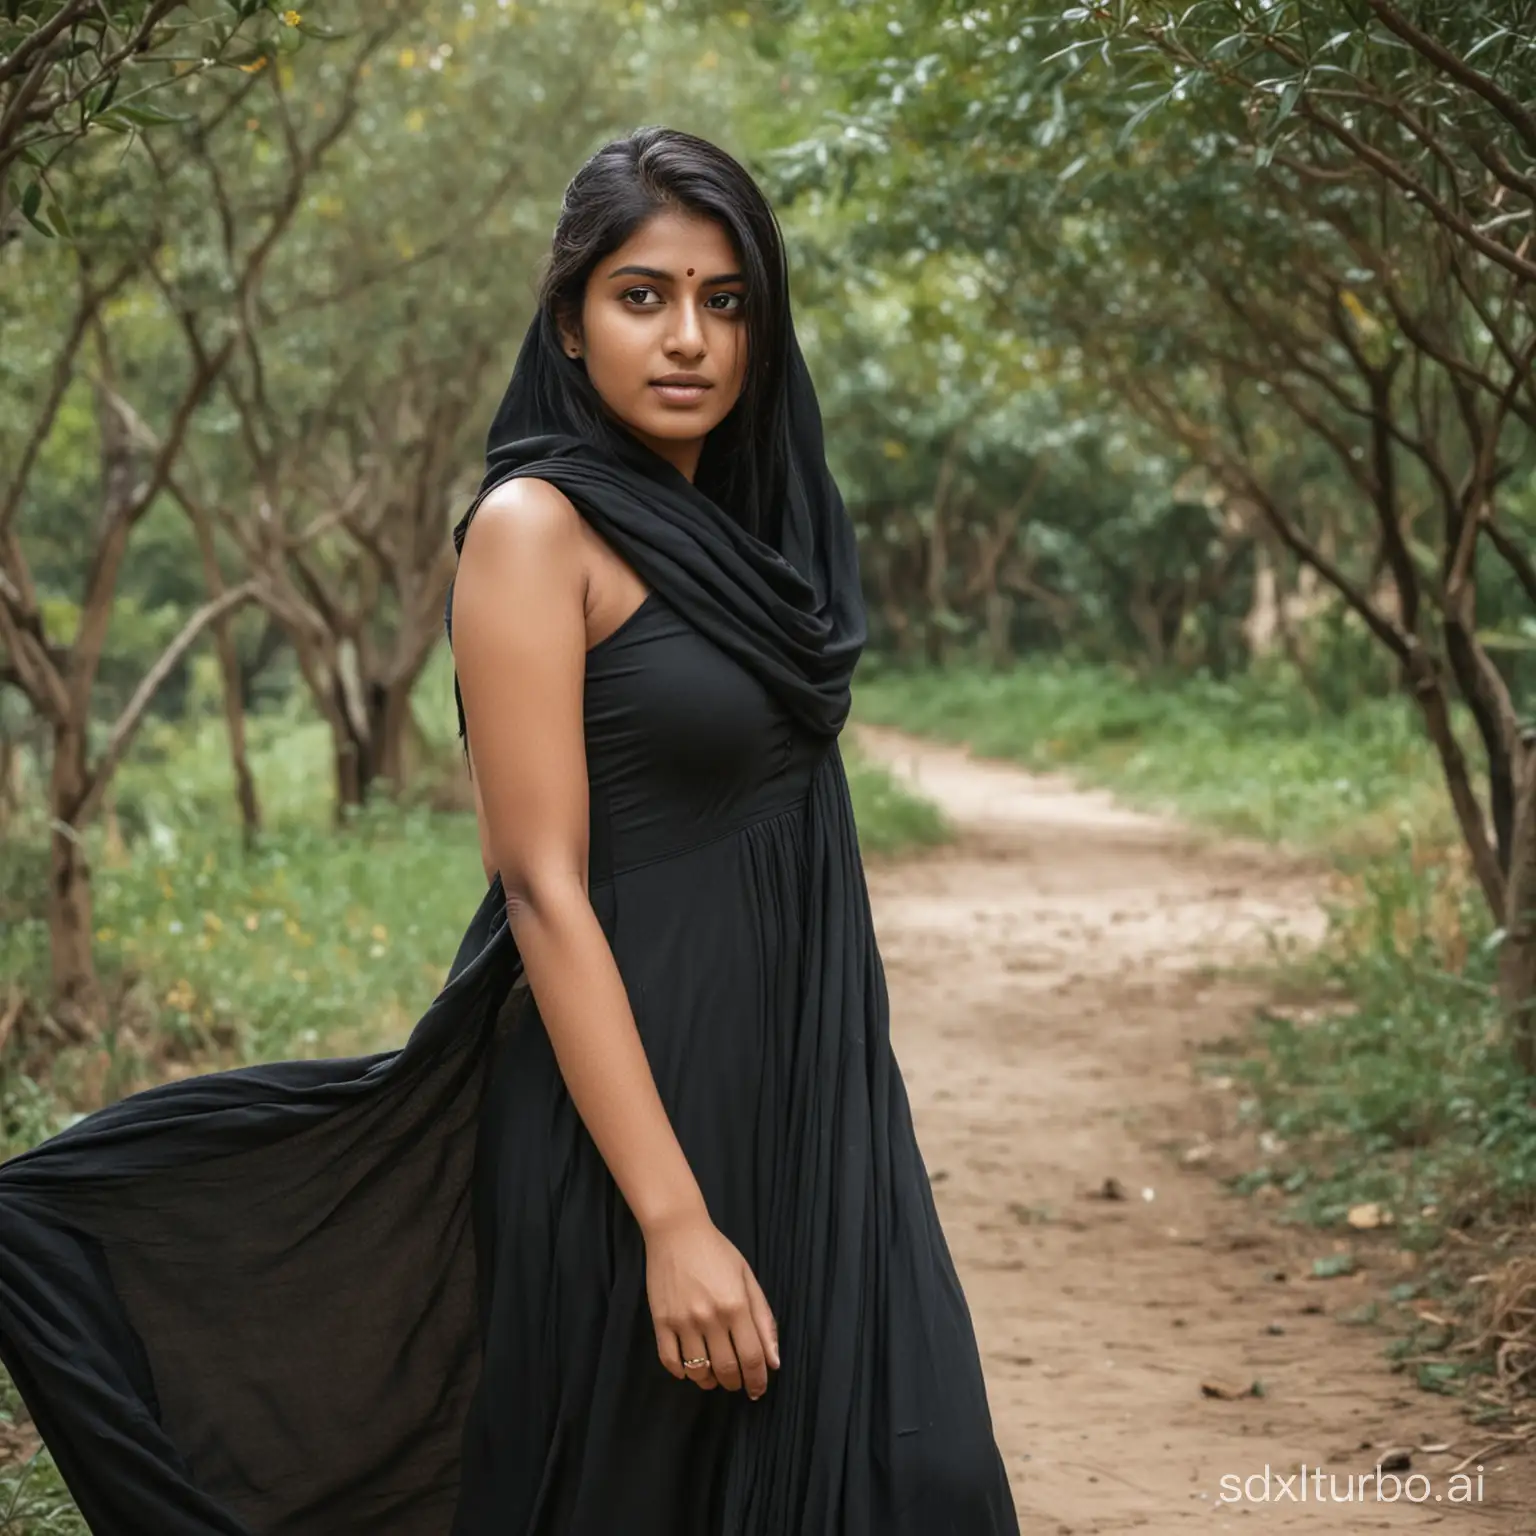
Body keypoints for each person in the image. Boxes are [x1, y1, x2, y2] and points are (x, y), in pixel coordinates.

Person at [0, 127, 1019, 1535]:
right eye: (642, 294)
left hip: (805, 1091)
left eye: (726, 302)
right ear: (567, 320)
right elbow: (539, 887)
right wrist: (670, 1218)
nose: (689, 338)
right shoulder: (535, 530)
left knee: (916, 1481)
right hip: (634, 1127)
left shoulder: (738, 534)